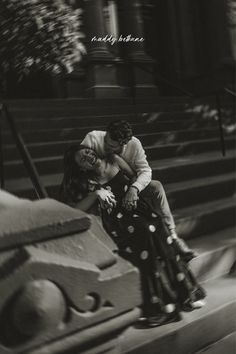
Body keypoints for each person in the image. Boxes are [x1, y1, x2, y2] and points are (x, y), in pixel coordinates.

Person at [60, 145, 206, 328]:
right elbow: (74, 209)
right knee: (146, 232)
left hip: (138, 207)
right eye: (83, 159)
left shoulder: (113, 160)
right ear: (82, 167)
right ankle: (163, 307)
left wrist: (134, 190)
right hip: (119, 221)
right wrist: (96, 194)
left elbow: (136, 179)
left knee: (159, 228)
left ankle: (186, 294)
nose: (88, 157)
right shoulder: (88, 181)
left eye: (88, 152)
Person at [81, 120, 196, 262]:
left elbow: (146, 170)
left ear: (123, 144)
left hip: (127, 184)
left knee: (156, 187)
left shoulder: (134, 144)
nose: (107, 146)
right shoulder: (93, 138)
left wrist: (134, 189)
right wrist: (98, 189)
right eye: (107, 141)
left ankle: (173, 237)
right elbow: (79, 166)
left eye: (112, 146)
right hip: (104, 189)